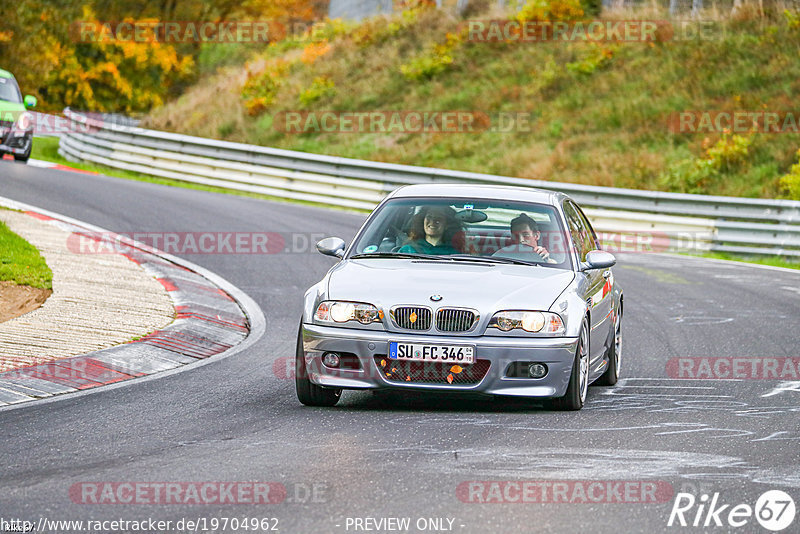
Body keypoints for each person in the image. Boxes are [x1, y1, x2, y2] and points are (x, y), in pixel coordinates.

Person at [398, 206, 462, 255]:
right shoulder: (408, 250)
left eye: (438, 218)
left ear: (447, 225)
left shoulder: (455, 254)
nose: (432, 222)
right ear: (422, 221)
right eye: (429, 217)